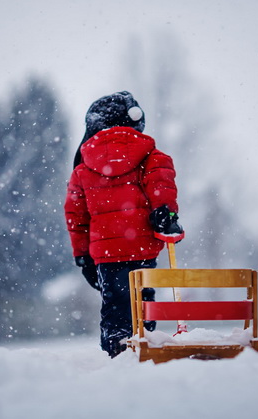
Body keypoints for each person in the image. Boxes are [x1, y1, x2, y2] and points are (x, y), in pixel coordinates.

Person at [64, 91, 183, 358]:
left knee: (115, 304)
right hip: (142, 247)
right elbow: (161, 186)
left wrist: (82, 256)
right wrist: (166, 215)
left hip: (105, 255)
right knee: (143, 301)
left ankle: (117, 349)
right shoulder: (152, 157)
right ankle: (145, 345)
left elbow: (76, 216)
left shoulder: (82, 170)